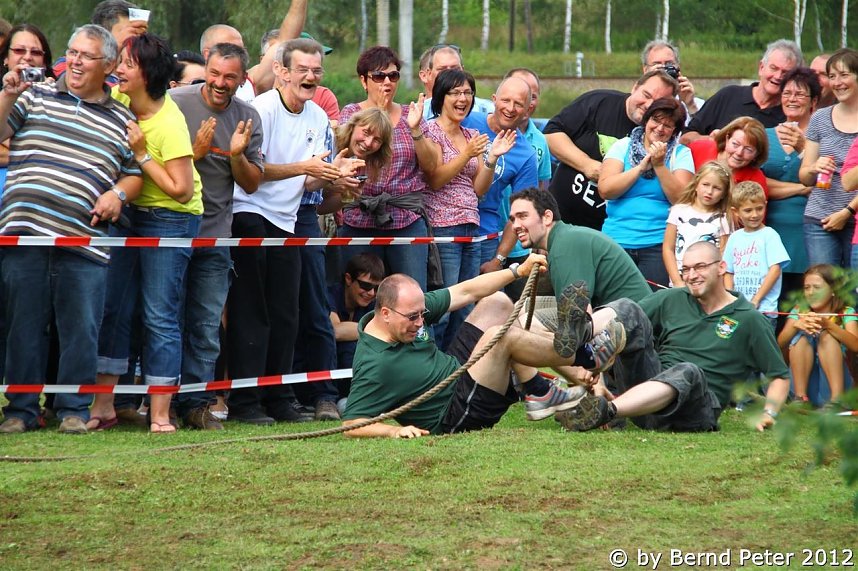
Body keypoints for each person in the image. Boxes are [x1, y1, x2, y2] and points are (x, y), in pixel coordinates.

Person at [0, 24, 143, 434]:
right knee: (23, 326)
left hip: (85, 240)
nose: (76, 61)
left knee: (82, 330)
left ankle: (74, 411)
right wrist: (8, 94)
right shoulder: (33, 95)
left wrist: (117, 193)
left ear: (110, 66)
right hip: (24, 232)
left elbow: (134, 173)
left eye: (87, 55)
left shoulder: (122, 117)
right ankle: (20, 411)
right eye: (72, 52)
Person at [227, 38, 353, 425]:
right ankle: (246, 402)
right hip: (249, 213)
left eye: (317, 71)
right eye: (303, 70)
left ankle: (279, 397)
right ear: (282, 71)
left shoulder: (318, 117)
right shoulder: (259, 110)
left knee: (286, 313)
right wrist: (306, 168)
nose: (311, 77)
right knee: (252, 312)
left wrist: (337, 178)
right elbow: (254, 174)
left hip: (289, 219)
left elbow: (309, 181)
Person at [86, 33, 204, 434]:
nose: (119, 70)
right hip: (130, 212)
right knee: (114, 308)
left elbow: (181, 189)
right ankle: (103, 406)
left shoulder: (169, 123)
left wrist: (140, 155)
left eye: (128, 65)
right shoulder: (119, 102)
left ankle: (159, 415)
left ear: (147, 74)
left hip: (172, 217)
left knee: (159, 314)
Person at [341, 253, 591, 438]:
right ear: (385, 313)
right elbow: (351, 423)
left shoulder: (408, 308)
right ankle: (586, 357)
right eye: (412, 317)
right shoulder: (373, 363)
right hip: (456, 413)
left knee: (497, 302)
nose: (420, 322)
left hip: (457, 372)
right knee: (500, 336)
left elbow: (466, 291)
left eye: (421, 314)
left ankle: (556, 382)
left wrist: (518, 271)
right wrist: (392, 431)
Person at [554, 241, 791, 433]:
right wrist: (600, 378)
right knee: (629, 307)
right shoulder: (673, 298)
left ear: (721, 267)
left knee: (689, 371)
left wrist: (769, 414)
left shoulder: (749, 318)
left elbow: (779, 376)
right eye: (685, 269)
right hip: (645, 400)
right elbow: (624, 324)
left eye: (699, 267)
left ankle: (605, 411)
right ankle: (581, 330)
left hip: (694, 410)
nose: (691, 275)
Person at [169, 42, 264, 426]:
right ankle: (158, 403)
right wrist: (194, 151)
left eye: (230, 77)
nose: (220, 83)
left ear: (243, 79)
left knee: (206, 326)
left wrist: (237, 154)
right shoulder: (175, 101)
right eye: (214, 73)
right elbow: (154, 163)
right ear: (205, 69)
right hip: (171, 230)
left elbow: (253, 183)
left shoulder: (247, 116)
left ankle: (195, 404)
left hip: (215, 234)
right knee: (165, 320)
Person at [425, 69, 516, 348]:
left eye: (467, 93)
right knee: (444, 304)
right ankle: (434, 369)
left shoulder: (471, 134)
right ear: (441, 96)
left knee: (466, 308)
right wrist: (467, 153)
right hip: (444, 228)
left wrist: (491, 158)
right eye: (455, 93)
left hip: (472, 227)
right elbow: (436, 178)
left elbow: (479, 189)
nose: (462, 99)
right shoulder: (430, 131)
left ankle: (456, 370)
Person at [338, 46, 437, 291]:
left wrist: (415, 130)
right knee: (358, 291)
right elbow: (352, 156)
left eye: (393, 76)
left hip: (405, 217)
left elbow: (430, 167)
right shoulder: (352, 112)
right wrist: (379, 114)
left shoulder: (410, 114)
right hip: (360, 216)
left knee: (411, 291)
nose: (387, 82)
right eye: (378, 76)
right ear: (364, 80)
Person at [543, 70, 678, 230]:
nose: (648, 105)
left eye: (657, 102)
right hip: (560, 217)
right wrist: (587, 165)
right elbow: (551, 133)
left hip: (614, 232)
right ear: (635, 87)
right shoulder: (599, 102)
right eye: (646, 95)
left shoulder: (662, 134)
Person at [598, 97, 694, 288]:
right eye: (656, 121)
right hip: (617, 240)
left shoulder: (680, 153)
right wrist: (640, 168)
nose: (660, 129)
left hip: (658, 244)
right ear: (647, 120)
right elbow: (606, 190)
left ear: (675, 130)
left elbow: (682, 200)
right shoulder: (622, 146)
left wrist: (659, 166)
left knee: (652, 305)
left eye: (668, 125)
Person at [509, 188, 652, 308]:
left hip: (634, 325)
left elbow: (577, 314)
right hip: (613, 314)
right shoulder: (564, 237)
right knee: (522, 307)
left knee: (527, 321)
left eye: (522, 216)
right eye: (513, 219)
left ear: (547, 217)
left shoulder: (565, 244)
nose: (515, 225)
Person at [460, 76, 538, 266]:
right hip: (446, 227)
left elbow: (522, 212)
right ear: (494, 99)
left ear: (528, 110)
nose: (510, 109)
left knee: (488, 296)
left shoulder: (526, 154)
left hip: (485, 235)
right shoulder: (467, 121)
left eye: (518, 104)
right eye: (505, 100)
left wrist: (499, 259)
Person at [493, 68, 554, 300]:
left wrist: (540, 236)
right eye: (508, 99)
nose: (516, 106)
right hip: (490, 230)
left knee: (513, 304)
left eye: (533, 97)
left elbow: (541, 191)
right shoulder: (484, 129)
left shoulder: (539, 142)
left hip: (519, 244)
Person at [762, 67, 820, 297]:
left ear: (813, 101)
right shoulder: (764, 136)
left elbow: (825, 181)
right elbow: (756, 184)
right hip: (768, 226)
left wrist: (803, 147)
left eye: (800, 94)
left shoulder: (821, 137)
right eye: (787, 93)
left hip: (807, 229)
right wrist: (801, 188)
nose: (792, 99)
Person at [798, 48, 858, 269]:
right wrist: (814, 167)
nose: (837, 82)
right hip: (820, 218)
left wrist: (847, 212)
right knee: (825, 291)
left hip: (854, 218)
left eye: (844, 75)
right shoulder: (821, 118)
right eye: (832, 76)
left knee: (853, 293)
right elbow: (804, 177)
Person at [681, 39, 802, 144]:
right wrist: (711, 140)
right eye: (773, 68)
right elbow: (686, 137)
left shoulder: (788, 116)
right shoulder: (728, 96)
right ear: (761, 68)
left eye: (785, 73)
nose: (778, 76)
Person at [777, 264, 858, 405]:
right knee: (802, 338)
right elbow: (779, 344)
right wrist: (796, 326)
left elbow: (856, 346)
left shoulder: (846, 312)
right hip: (802, 385)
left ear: (834, 290)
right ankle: (800, 398)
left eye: (817, 288)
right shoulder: (799, 310)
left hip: (835, 386)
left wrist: (828, 325)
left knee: (826, 337)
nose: (811, 293)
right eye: (806, 288)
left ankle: (836, 401)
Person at [197, 0, 306, 101]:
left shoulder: (251, 81)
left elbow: (284, 40)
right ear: (207, 54)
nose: (238, 55)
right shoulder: (185, 91)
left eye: (241, 50)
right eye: (230, 49)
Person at [723, 181, 790, 326]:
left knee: (759, 347)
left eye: (759, 209)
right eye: (748, 210)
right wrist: (730, 297)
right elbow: (728, 272)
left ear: (765, 205)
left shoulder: (769, 235)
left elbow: (775, 269)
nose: (754, 215)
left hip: (763, 311)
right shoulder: (734, 237)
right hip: (736, 309)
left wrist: (756, 299)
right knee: (728, 342)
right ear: (736, 211)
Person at [0, 24, 56, 190]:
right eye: (19, 50)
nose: (27, 57)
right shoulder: (4, 95)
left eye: (36, 52)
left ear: (45, 62)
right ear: (5, 58)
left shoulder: (59, 94)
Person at [663, 161, 733, 287]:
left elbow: (724, 254)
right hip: (681, 280)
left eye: (717, 188)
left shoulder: (723, 219)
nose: (709, 191)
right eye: (705, 184)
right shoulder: (678, 211)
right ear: (696, 184)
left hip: (709, 283)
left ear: (724, 193)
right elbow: (668, 248)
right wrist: (677, 281)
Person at [328, 252, 385, 400]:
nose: (371, 293)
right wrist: (376, 329)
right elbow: (335, 331)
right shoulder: (330, 295)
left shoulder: (374, 303)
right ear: (348, 279)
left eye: (376, 288)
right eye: (365, 285)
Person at [52, 0, 148, 79]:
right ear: (103, 33)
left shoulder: (143, 75)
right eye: (134, 33)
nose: (140, 42)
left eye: (143, 36)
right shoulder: (68, 64)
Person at [688, 116, 769, 191]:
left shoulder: (756, 180)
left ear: (757, 154)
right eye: (735, 144)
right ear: (727, 139)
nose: (739, 153)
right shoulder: (699, 148)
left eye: (748, 149)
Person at [418, 43, 493, 121]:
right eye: (442, 70)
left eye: (455, 69)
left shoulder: (487, 110)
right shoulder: (415, 116)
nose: (451, 74)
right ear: (425, 75)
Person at [640, 40, 704, 121]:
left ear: (678, 67)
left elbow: (704, 131)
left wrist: (691, 106)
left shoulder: (698, 105)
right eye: (657, 65)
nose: (664, 70)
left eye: (669, 64)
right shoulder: (639, 102)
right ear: (645, 70)